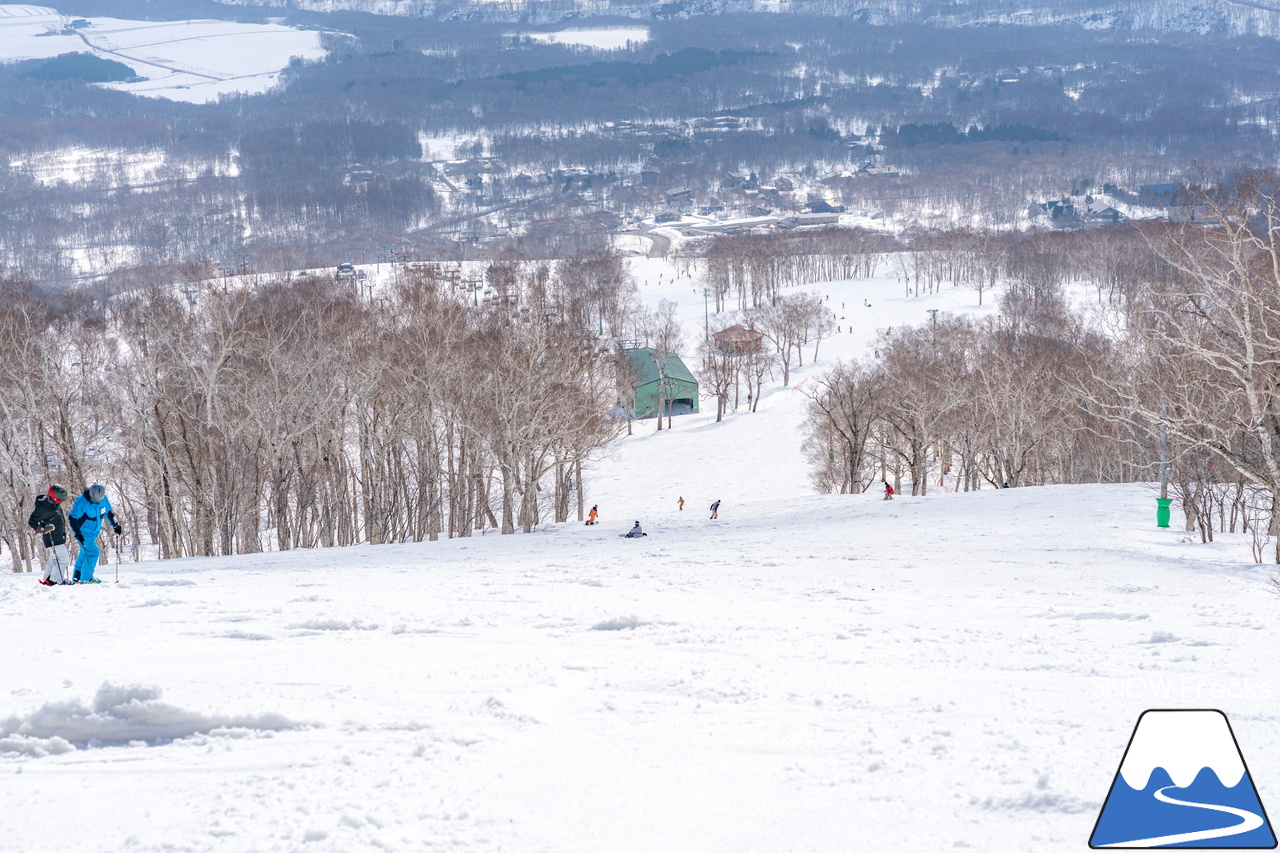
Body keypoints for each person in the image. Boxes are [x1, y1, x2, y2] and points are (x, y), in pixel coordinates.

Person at [68, 483, 121, 584]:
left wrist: (115, 525)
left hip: (93, 533)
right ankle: (86, 578)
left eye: (98, 501)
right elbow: (72, 518)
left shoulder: (103, 499)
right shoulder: (81, 502)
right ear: (91, 495)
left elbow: (109, 513)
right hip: (83, 532)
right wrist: (78, 533)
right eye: (94, 501)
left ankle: (77, 578)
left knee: (85, 553)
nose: (96, 502)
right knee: (93, 552)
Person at [28, 484, 72, 585]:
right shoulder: (43, 508)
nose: (60, 502)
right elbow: (32, 522)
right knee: (63, 558)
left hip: (57, 536)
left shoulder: (53, 504)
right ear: (53, 498)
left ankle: (48, 580)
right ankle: (56, 581)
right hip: (52, 538)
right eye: (59, 500)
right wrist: (43, 529)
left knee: (54, 559)